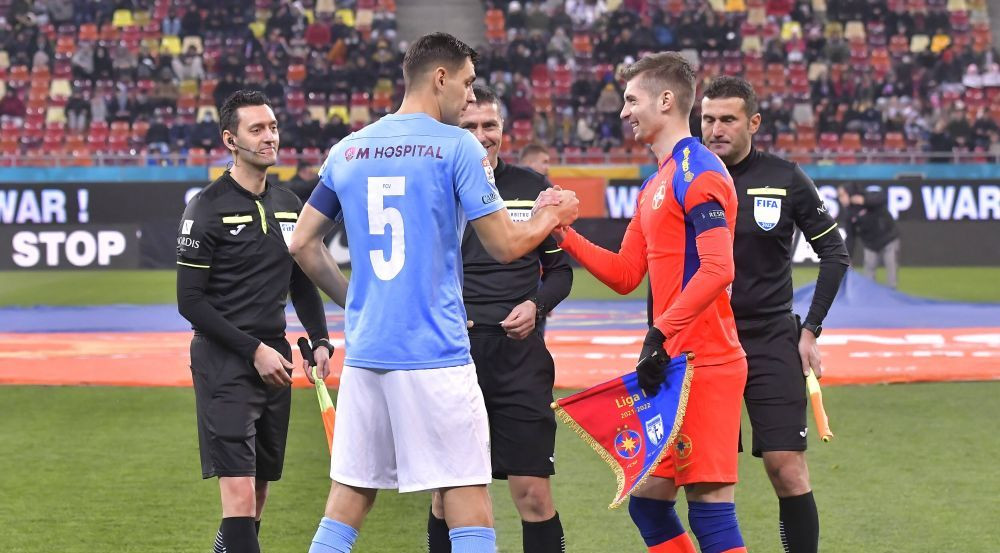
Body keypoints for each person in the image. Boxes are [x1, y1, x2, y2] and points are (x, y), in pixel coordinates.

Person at [287, 33, 579, 553]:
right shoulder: (456, 146)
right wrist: (551, 216)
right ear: (440, 78)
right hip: (435, 353)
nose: (469, 96)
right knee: (468, 499)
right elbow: (505, 245)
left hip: (368, 352)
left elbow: (303, 243)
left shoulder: (348, 149)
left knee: (348, 498)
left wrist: (358, 303)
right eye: (467, 83)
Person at [547, 52, 749, 553]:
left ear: (665, 100)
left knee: (710, 508)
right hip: (673, 364)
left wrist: (660, 332)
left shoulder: (699, 172)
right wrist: (563, 234)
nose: (624, 112)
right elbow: (626, 273)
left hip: (706, 361)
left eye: (631, 100)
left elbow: (718, 269)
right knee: (649, 504)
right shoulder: (656, 181)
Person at [175, 90, 333, 553]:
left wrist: (320, 340)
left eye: (273, 127)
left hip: (275, 357)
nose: (270, 137)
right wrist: (253, 350)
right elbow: (189, 301)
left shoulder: (289, 203)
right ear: (231, 140)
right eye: (257, 129)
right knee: (240, 496)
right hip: (225, 360)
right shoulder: (205, 207)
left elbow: (301, 281)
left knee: (260, 489)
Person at [701, 75, 850, 553]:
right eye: (708, 119)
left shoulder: (785, 177)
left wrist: (811, 330)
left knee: (787, 469)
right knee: (707, 476)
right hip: (706, 341)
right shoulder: (684, 177)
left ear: (754, 123)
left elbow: (835, 254)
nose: (716, 129)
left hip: (770, 339)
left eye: (728, 119)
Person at [426, 85, 573, 553]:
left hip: (521, 359)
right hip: (454, 357)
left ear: (503, 129)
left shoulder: (532, 188)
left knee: (534, 494)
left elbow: (561, 271)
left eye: (489, 125)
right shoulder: (433, 186)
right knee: (447, 496)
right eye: (469, 126)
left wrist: (536, 306)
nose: (481, 135)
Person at [851, 185, 901, 288]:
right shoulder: (856, 209)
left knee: (891, 267)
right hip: (871, 243)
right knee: (869, 270)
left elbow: (876, 200)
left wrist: (864, 200)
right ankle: (869, 293)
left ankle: (892, 293)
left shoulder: (879, 203)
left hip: (888, 240)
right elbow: (852, 233)